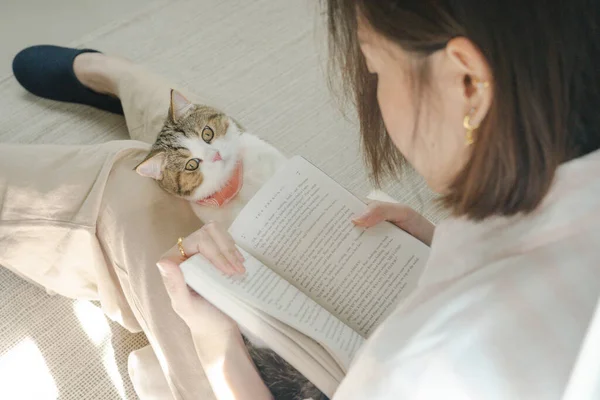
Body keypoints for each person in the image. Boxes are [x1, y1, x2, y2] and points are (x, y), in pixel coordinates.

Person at [2, 0, 599, 398]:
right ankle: (132, 85)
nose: (375, 95)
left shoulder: (436, 368)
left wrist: (215, 346)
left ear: (468, 81)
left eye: (375, 70)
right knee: (230, 156)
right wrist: (439, 243)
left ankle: (133, 99)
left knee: (132, 186)